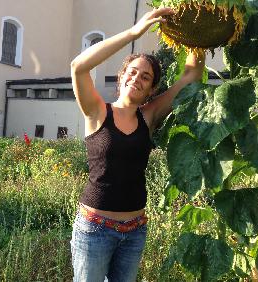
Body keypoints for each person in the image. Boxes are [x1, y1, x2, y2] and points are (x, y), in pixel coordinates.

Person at [70, 7, 205, 282]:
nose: (137, 79)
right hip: (95, 230)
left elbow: (190, 77)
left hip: (134, 231)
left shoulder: (149, 116)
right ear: (121, 78)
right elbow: (79, 66)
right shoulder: (97, 112)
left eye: (145, 77)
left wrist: (198, 26)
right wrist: (134, 32)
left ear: (152, 89)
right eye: (132, 72)